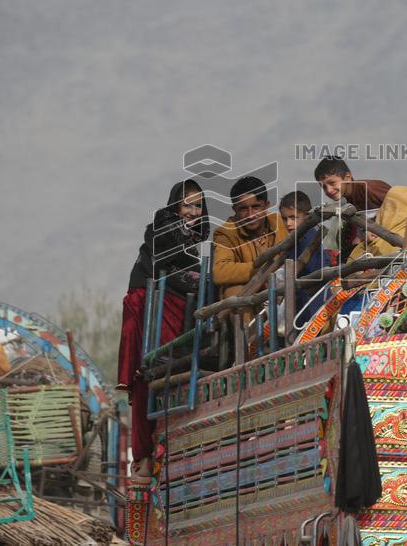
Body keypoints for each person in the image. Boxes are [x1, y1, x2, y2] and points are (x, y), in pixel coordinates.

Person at [118, 179, 209, 483]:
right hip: (149, 301)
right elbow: (168, 269)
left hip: (171, 303)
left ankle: (159, 452)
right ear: (175, 206)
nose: (193, 211)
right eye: (187, 204)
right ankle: (144, 456)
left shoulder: (194, 237)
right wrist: (202, 282)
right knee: (150, 374)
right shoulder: (163, 227)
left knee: (167, 377)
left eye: (198, 205)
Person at [212, 176, 288, 301]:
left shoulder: (281, 222)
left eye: (256, 207)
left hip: (281, 288)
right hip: (248, 293)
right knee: (234, 292)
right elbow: (220, 271)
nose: (250, 215)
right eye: (243, 209)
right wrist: (266, 270)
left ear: (266, 205)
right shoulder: (225, 232)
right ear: (234, 209)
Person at [314, 156, 392, 262]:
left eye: (332, 183)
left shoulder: (369, 189)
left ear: (347, 178)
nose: (328, 190)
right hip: (373, 243)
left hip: (392, 242)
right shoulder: (348, 201)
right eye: (323, 187)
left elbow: (400, 211)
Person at [279, 190, 334, 328]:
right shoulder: (296, 240)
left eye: (293, 218)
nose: (288, 223)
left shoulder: (308, 238)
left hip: (313, 299)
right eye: (285, 219)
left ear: (307, 216)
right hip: (303, 299)